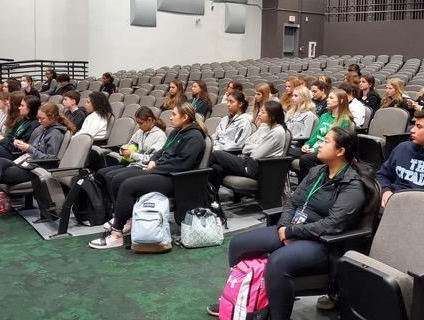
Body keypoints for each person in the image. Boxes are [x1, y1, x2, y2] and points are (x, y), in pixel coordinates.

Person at [208, 127, 376, 320]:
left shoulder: (352, 186)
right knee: (239, 244)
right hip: (293, 230)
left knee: (278, 262)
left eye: (326, 141)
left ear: (340, 151)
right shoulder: (317, 172)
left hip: (323, 243)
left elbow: (333, 225)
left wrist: (291, 232)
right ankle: (239, 298)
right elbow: (292, 202)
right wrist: (285, 226)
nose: (319, 145)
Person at [88, 102, 207, 249]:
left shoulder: (195, 137)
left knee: (128, 185)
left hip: (175, 179)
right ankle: (128, 220)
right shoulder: (177, 132)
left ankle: (116, 233)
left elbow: (182, 164)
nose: (170, 118)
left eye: (174, 114)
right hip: (162, 171)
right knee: (118, 180)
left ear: (185, 117)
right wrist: (153, 161)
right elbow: (162, 151)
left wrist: (155, 169)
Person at [0, 103, 74, 229]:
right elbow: (34, 148)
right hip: (26, 162)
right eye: (38, 118)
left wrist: (29, 148)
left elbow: (51, 159)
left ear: (52, 117)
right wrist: (23, 146)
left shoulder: (55, 134)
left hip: (36, 169)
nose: (39, 121)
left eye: (42, 118)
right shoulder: (42, 129)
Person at [208, 101, 287, 194]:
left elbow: (255, 155)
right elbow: (246, 144)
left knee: (216, 154)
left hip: (256, 167)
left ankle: (198, 187)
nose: (259, 114)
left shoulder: (277, 132)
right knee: (216, 168)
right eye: (260, 111)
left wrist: (254, 146)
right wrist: (257, 146)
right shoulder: (265, 126)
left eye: (263, 112)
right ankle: (212, 198)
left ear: (272, 116)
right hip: (247, 160)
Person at [96, 106, 168, 204]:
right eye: (137, 123)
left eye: (141, 123)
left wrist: (132, 154)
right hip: (132, 163)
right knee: (100, 173)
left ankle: (115, 206)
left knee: (111, 177)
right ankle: (105, 205)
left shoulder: (159, 136)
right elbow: (129, 144)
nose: (138, 126)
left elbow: (152, 159)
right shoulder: (140, 132)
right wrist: (123, 150)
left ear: (150, 120)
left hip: (143, 167)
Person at [291, 89, 354, 182]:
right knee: (288, 152)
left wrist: (316, 149)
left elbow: (337, 143)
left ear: (341, 101)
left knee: (305, 159)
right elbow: (315, 134)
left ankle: (308, 185)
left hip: (329, 151)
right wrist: (307, 144)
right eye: (328, 97)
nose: (327, 100)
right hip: (314, 148)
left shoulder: (345, 120)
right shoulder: (325, 116)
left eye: (331, 98)